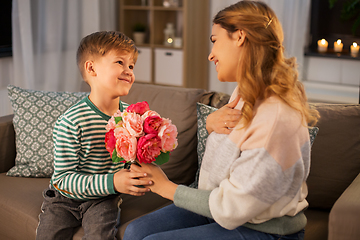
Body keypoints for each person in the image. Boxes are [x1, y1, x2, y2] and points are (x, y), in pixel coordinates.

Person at [123, 1, 320, 240]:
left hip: (261, 228)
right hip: (219, 212)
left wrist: (166, 188)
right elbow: (230, 159)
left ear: (239, 37)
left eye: (214, 40)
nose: (210, 55)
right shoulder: (245, 94)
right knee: (134, 232)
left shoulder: (275, 118)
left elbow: (232, 206)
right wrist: (210, 125)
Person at [36, 31, 152, 240]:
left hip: (103, 199)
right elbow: (63, 179)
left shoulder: (132, 119)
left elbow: (130, 163)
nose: (129, 71)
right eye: (120, 62)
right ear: (91, 68)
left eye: (131, 66)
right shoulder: (71, 121)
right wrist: (113, 182)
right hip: (64, 198)